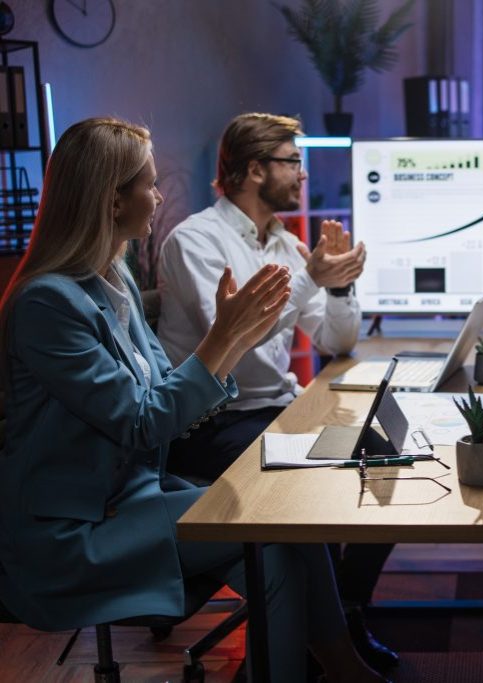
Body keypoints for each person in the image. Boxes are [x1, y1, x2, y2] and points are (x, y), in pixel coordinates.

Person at [0, 117, 385, 682]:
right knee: (279, 524)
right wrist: (225, 337)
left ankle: (325, 664)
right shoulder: (47, 305)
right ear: (111, 200)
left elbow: (159, 389)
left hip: (130, 495)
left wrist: (229, 339)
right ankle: (340, 663)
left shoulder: (115, 279)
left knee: (279, 539)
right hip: (75, 530)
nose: (159, 197)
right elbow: (141, 420)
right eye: (148, 185)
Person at [155, 112, 396, 670]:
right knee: (311, 486)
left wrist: (340, 287)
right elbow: (240, 340)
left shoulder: (286, 245)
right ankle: (333, 652)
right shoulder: (195, 240)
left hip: (277, 411)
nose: (303, 176)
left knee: (386, 457)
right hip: (212, 420)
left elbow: (337, 338)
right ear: (254, 169)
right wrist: (313, 276)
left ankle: (345, 612)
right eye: (293, 163)